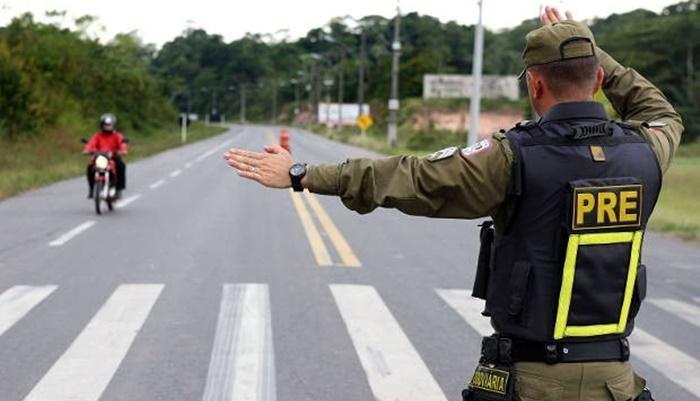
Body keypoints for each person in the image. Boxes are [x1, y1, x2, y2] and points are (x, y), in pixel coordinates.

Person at [224, 7, 682, 401]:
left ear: (535, 86)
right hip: (616, 383)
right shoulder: (647, 151)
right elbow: (660, 111)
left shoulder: (511, 156)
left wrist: (303, 175)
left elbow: (412, 177)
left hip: (532, 382)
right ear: (599, 79)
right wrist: (587, 49)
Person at [83, 113, 128, 199]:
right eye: (105, 125)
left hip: (113, 158)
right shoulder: (97, 136)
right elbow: (91, 144)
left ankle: (118, 189)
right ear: (102, 125)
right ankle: (92, 189)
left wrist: (122, 151)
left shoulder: (117, 136)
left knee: (121, 166)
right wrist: (87, 150)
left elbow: (122, 144)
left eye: (109, 125)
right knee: (90, 167)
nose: (107, 127)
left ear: (113, 125)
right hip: (100, 157)